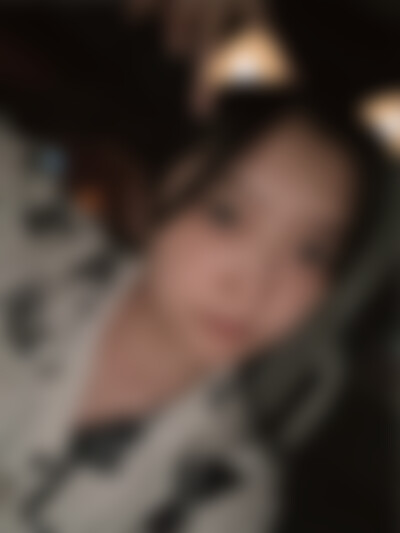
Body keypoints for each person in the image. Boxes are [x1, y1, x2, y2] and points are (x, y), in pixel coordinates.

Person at [0, 91, 386, 533]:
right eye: (226, 214)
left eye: (310, 252)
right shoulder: (21, 238)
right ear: (162, 186)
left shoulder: (228, 500)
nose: (254, 286)